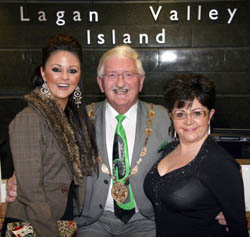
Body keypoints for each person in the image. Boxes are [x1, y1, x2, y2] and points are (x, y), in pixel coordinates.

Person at [5, 46, 228, 236]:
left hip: (146, 220)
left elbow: (201, 152)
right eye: (112, 75)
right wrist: (20, 180)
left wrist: (220, 197)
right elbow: (48, 156)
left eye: (129, 75)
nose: (120, 82)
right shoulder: (78, 118)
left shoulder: (164, 116)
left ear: (141, 82)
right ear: (101, 83)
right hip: (92, 222)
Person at [2, 34, 98, 236]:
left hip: (63, 218)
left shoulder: (74, 117)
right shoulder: (29, 118)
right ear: (44, 74)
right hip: (33, 223)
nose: (65, 77)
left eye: (72, 71)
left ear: (79, 75)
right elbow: (31, 192)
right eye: (56, 69)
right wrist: (50, 232)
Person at [143, 74, 249, 236]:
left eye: (197, 113)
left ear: (210, 115)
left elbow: (238, 228)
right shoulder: (169, 149)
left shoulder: (220, 163)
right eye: (180, 114)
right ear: (171, 116)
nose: (188, 121)